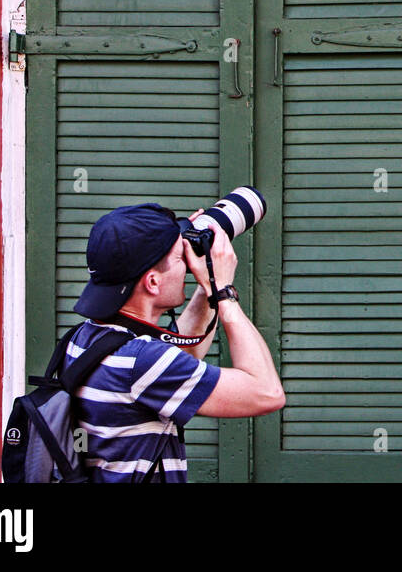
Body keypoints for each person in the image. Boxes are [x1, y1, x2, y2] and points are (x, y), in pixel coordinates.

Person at [64, 202, 285, 482]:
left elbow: (183, 358)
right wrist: (224, 294)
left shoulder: (85, 338)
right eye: (181, 258)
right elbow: (266, 392)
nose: (187, 266)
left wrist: (209, 285)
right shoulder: (142, 362)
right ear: (153, 282)